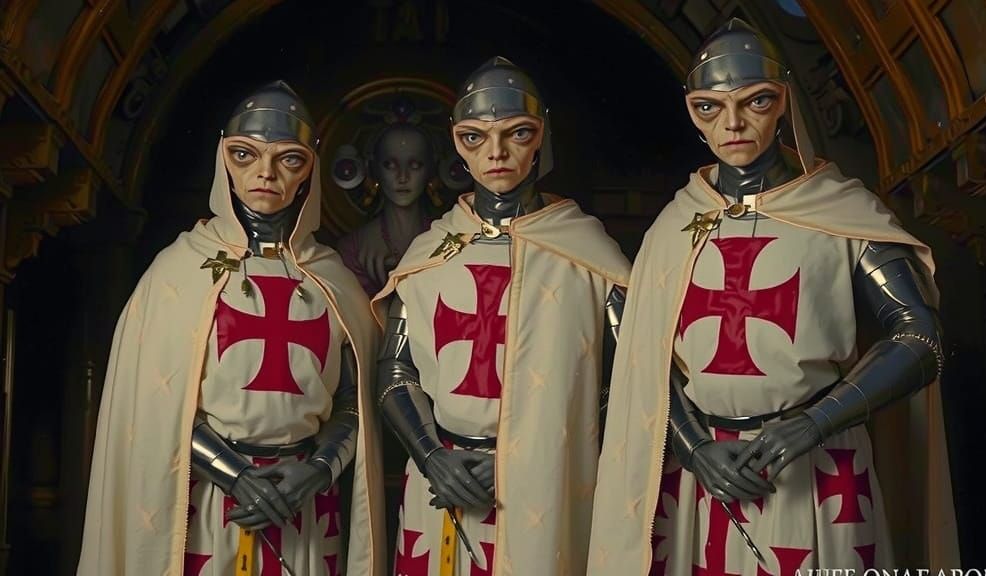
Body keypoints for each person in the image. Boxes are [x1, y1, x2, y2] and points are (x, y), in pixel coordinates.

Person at [588, 19, 959, 576]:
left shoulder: (841, 212)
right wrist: (693, 448)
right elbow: (643, 363)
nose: (733, 123)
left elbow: (920, 337)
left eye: (755, 101)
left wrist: (814, 423)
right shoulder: (673, 228)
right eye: (710, 107)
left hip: (819, 464)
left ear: (782, 101)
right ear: (693, 112)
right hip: (703, 473)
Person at [77, 81, 384, 576]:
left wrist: (318, 469)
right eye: (245, 154)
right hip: (206, 500)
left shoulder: (333, 280)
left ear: (309, 170)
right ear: (224, 160)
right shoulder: (178, 271)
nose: (265, 173)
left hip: (304, 500)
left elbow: (354, 400)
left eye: (288, 159)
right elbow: (156, 404)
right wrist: (236, 475)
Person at [371, 57, 630, 576]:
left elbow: (628, 381)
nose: (496, 153)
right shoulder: (430, 253)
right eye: (475, 137)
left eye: (517, 133)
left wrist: (530, 455)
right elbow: (396, 370)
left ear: (541, 138)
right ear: (457, 144)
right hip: (443, 477)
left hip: (549, 481)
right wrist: (431, 456)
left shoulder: (586, 255)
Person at [338, 122, 438, 296]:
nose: (402, 177)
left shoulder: (448, 237)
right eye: (390, 165)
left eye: (415, 165)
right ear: (374, 168)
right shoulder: (354, 247)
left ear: (431, 169)